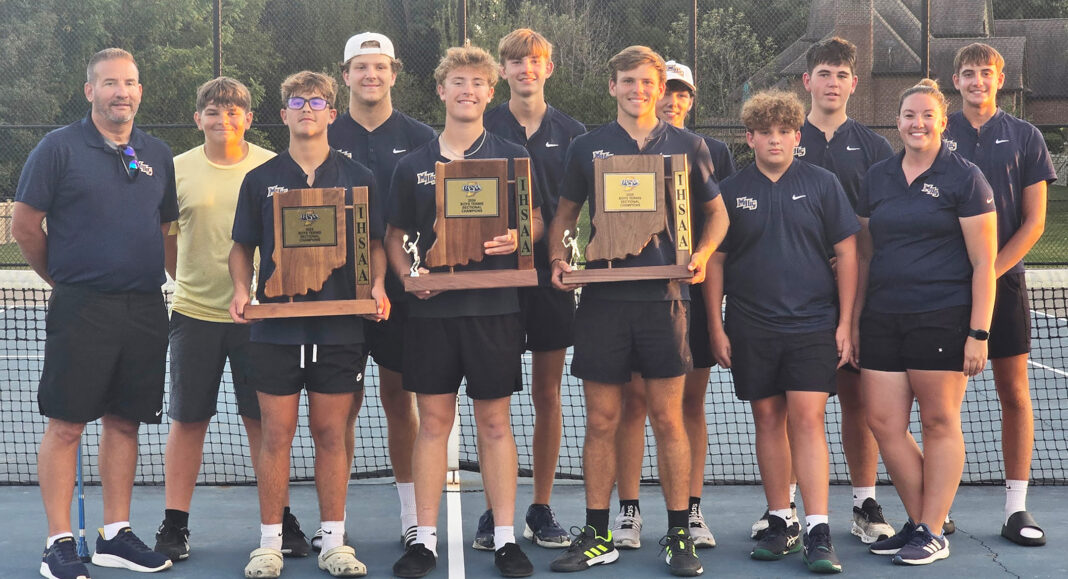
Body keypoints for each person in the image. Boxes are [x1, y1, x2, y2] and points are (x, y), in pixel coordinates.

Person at [547, 46, 728, 577]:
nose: (639, 90)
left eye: (648, 83)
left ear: (660, 88)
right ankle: (598, 533)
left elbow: (717, 219)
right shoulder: (586, 148)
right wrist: (558, 257)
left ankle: (677, 537)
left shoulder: (690, 145)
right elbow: (564, 215)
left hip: (665, 303)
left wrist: (700, 255)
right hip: (602, 302)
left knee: (668, 418)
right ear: (613, 87)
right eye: (628, 81)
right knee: (602, 419)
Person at [13, 47, 176, 578]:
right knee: (66, 425)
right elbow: (24, 226)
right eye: (109, 83)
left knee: (124, 421)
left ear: (140, 91)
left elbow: (162, 228)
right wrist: (63, 281)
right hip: (82, 307)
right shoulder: (57, 148)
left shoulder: (157, 153)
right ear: (90, 91)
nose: (120, 92)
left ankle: (114, 536)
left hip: (145, 306)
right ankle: (59, 543)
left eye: (129, 82)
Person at [386, 44, 542, 579]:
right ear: (441, 90)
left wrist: (519, 235)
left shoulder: (514, 158)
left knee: (495, 424)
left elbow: (536, 221)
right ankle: (423, 540)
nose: (468, 90)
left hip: (495, 308)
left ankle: (504, 538)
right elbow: (395, 233)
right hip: (431, 314)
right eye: (458, 81)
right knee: (432, 423)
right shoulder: (412, 164)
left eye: (477, 82)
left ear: (489, 92)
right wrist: (408, 277)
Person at [229, 71, 388, 579]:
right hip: (276, 329)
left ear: (331, 114)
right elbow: (241, 248)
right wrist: (240, 289)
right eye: (297, 101)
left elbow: (377, 246)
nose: (307, 110)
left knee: (330, 433)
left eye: (317, 102)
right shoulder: (259, 179)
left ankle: (334, 542)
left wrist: (378, 286)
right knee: (276, 435)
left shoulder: (359, 176)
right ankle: (269, 544)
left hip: (340, 328)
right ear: (284, 114)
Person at [747, 37, 897, 546]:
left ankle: (862, 501)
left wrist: (854, 259)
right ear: (806, 81)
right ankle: (784, 511)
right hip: (791, 300)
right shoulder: (784, 132)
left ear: (854, 84)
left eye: (841, 75)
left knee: (858, 402)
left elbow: (879, 225)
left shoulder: (875, 147)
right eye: (824, 74)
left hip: (859, 297)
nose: (832, 83)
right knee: (789, 408)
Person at [151, 76, 306, 564]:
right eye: (213, 112)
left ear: (249, 118)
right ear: (198, 119)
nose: (223, 120)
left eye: (233, 111)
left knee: (264, 423)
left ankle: (280, 518)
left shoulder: (271, 167)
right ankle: (175, 525)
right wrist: (192, 284)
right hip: (194, 315)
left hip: (262, 321)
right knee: (188, 420)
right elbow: (167, 240)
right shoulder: (175, 170)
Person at [707, 89, 857, 574]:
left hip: (814, 325)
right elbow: (716, 262)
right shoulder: (729, 191)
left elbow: (849, 254)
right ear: (749, 138)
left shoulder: (823, 184)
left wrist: (845, 323)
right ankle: (780, 518)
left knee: (807, 420)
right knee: (767, 420)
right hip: (750, 325)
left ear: (797, 135)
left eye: (784, 132)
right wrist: (716, 325)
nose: (775, 140)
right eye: (764, 133)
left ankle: (817, 529)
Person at [857, 79, 996, 565]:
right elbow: (867, 252)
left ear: (942, 122)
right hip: (882, 318)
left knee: (939, 421)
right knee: (884, 423)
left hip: (942, 317)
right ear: (897, 122)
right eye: (909, 116)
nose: (917, 124)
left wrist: (979, 332)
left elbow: (984, 263)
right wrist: (854, 321)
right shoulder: (877, 177)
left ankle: (933, 530)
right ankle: (920, 524)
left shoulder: (966, 178)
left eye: (927, 116)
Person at [611, 59, 734, 552]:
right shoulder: (618, 148)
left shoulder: (710, 151)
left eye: (682, 93)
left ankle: (690, 509)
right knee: (633, 404)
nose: (673, 101)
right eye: (668, 92)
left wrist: (706, 281)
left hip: (693, 300)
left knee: (688, 407)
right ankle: (629, 510)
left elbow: (716, 229)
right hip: (637, 298)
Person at [325, 31, 436, 552]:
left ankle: (413, 517)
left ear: (393, 74)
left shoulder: (421, 137)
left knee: (399, 399)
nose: (371, 75)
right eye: (360, 67)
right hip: (335, 295)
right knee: (340, 406)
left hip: (402, 292)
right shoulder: (320, 130)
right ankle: (335, 524)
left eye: (380, 67)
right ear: (345, 75)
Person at [945, 42, 1057, 547]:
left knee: (1014, 394)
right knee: (945, 402)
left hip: (1004, 284)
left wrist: (988, 274)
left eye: (985, 73)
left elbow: (1035, 222)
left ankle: (1016, 508)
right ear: (956, 81)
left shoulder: (1026, 136)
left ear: (999, 78)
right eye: (968, 74)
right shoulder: (938, 131)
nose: (976, 81)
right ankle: (936, 510)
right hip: (942, 289)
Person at [479, 27, 586, 551]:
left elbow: (582, 209)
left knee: (548, 394)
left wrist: (564, 257)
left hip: (550, 283)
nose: (526, 69)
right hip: (493, 283)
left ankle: (540, 506)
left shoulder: (574, 133)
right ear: (503, 71)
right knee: (491, 399)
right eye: (516, 61)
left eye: (535, 61)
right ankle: (494, 509)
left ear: (549, 68)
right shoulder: (480, 123)